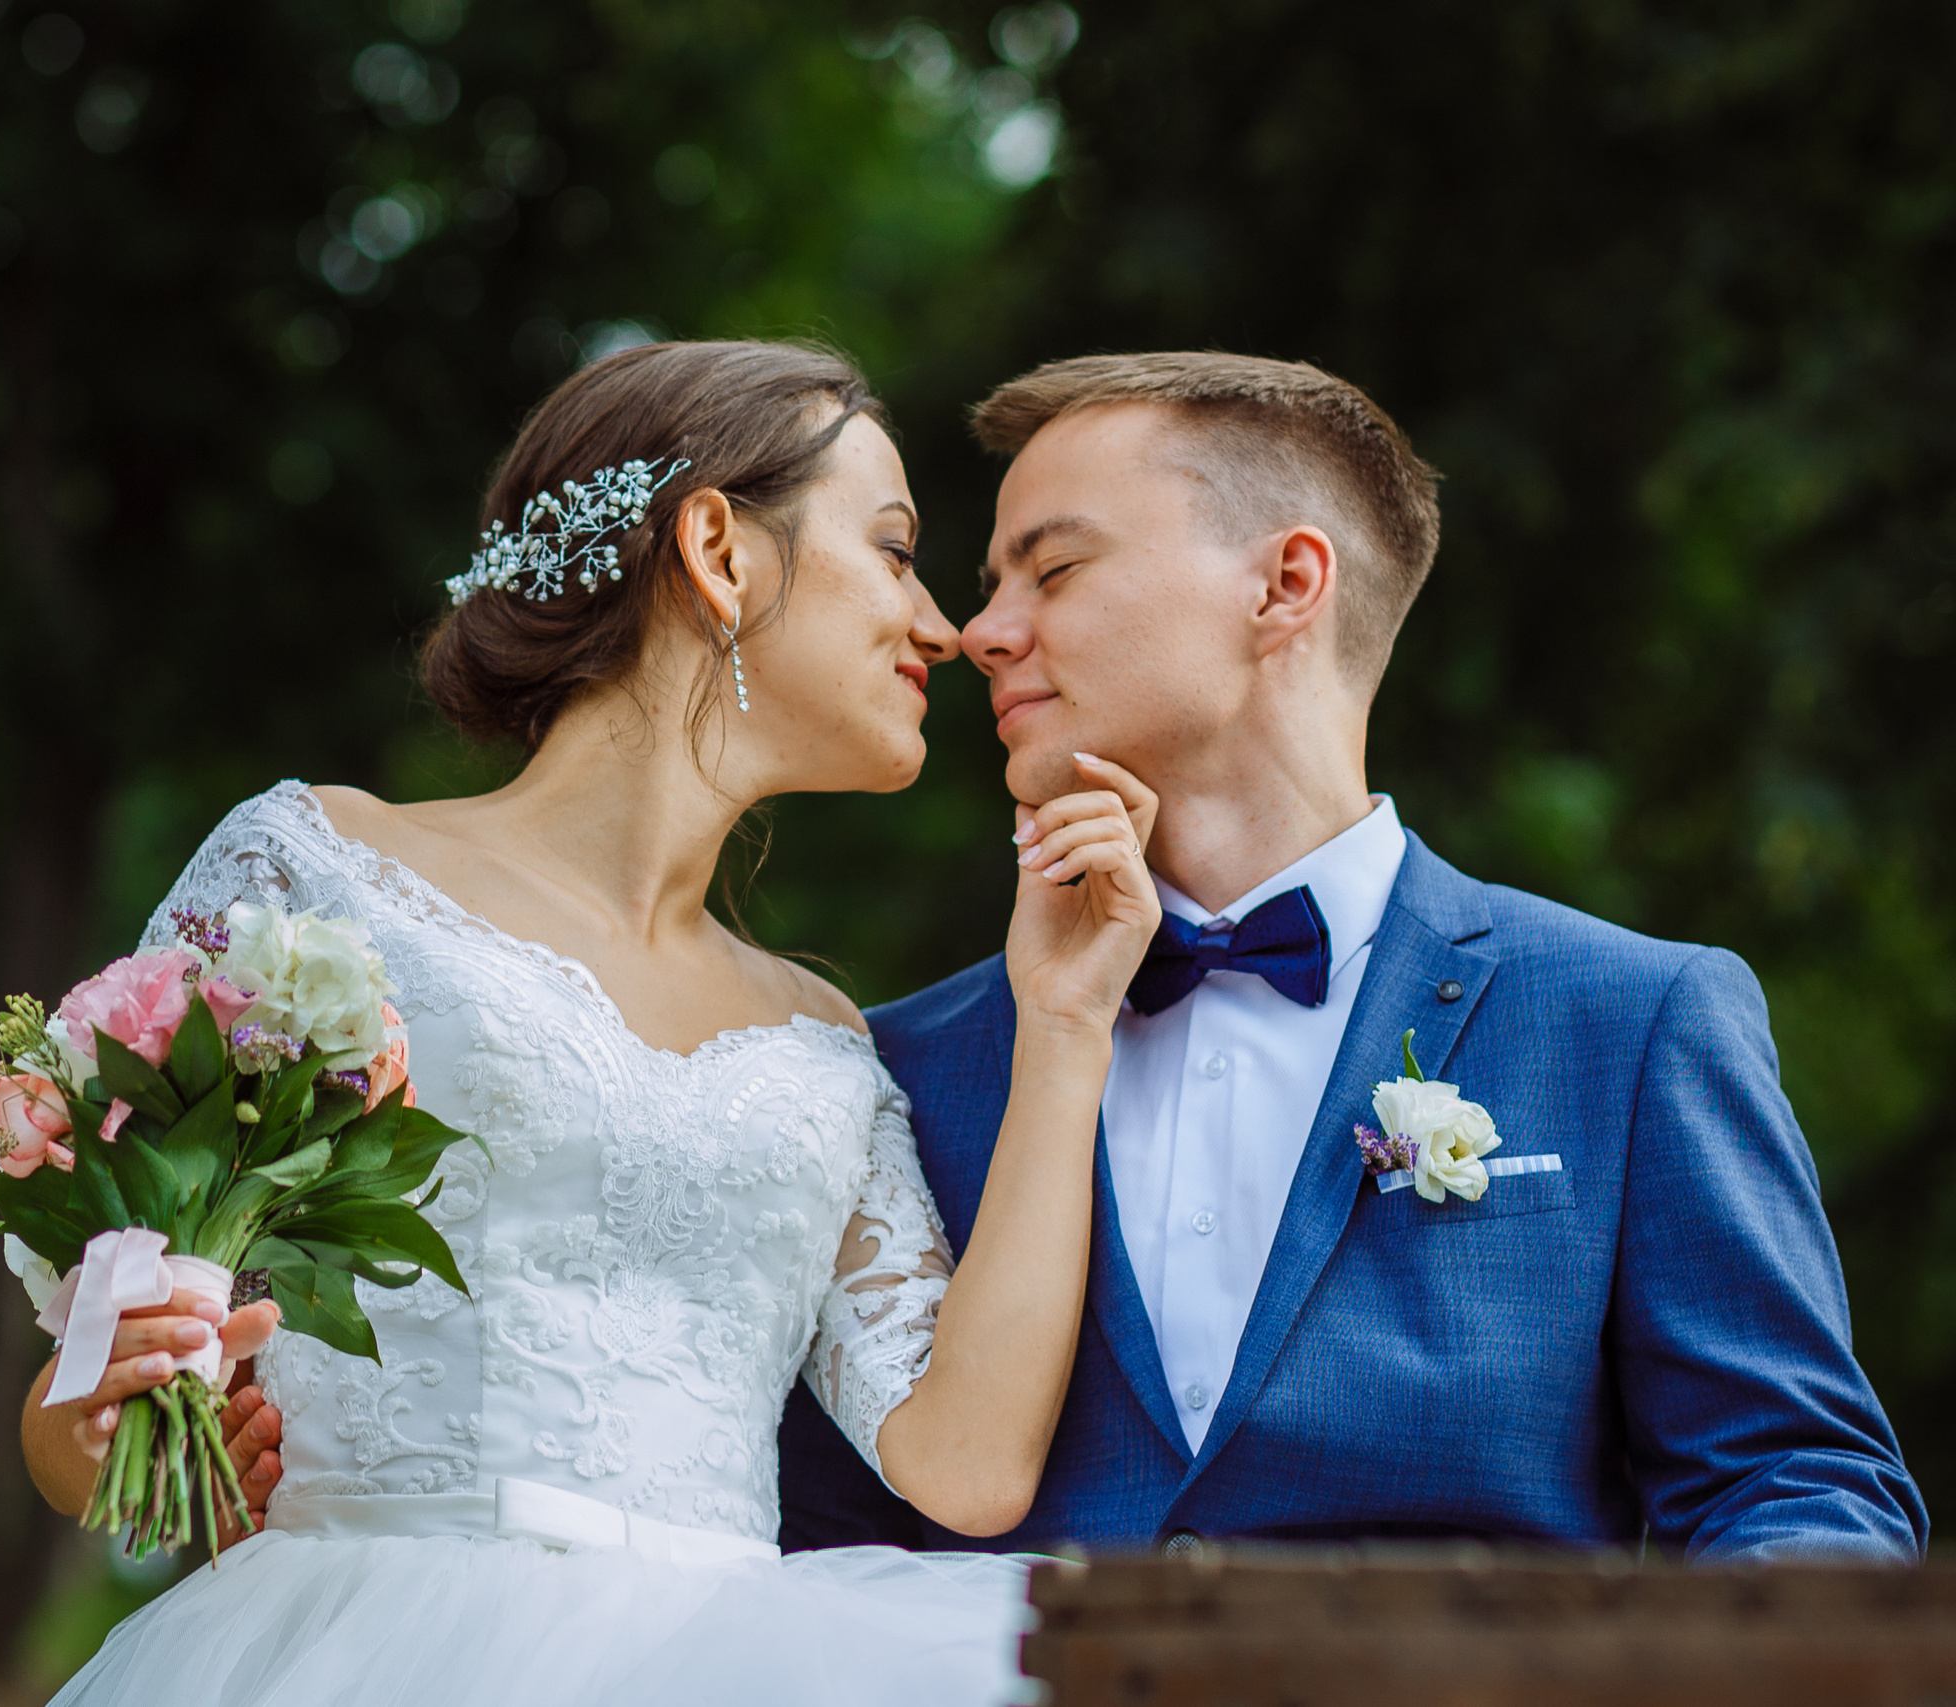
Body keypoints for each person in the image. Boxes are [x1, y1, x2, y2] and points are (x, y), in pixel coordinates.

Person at [16, 339, 1165, 1706]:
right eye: (896, 550)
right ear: (719, 552)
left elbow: (965, 1465)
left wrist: (1066, 1020)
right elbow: (90, 1383)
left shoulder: (823, 1045)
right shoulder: (316, 876)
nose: (945, 627)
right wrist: (123, 1427)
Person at [777, 352, 1927, 1562]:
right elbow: (827, 1551)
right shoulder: (896, 1073)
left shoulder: (1632, 1021)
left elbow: (1794, 1493)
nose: (979, 633)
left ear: (1285, 586)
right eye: (990, 586)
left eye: (1053, 569)